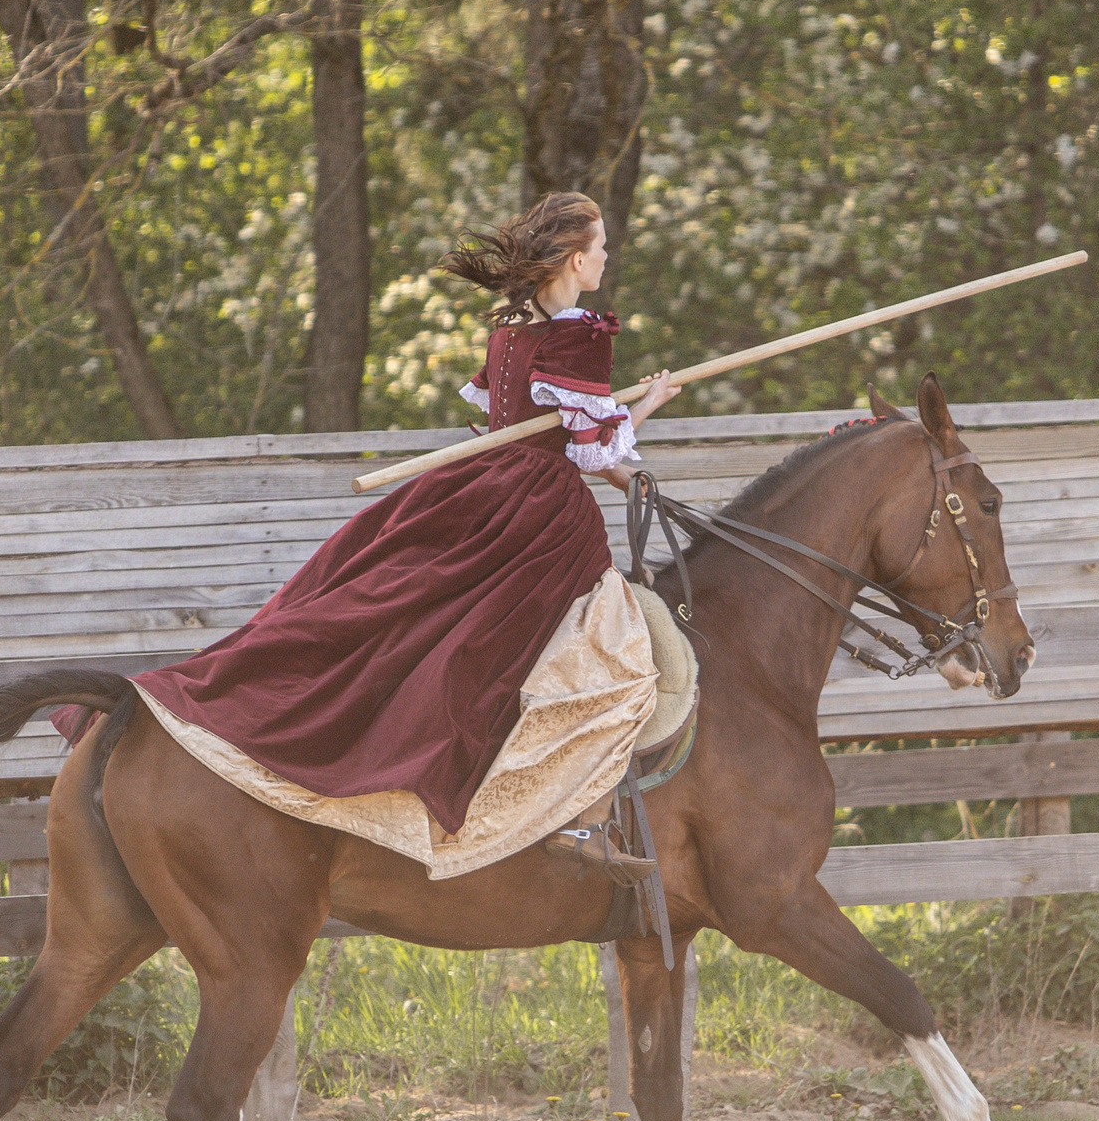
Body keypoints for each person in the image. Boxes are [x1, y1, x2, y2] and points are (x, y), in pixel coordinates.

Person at [118, 192, 681, 843]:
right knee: (604, 655)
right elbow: (591, 451)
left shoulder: (509, 327)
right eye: (603, 247)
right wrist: (647, 421)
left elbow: (545, 428)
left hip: (485, 492)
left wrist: (630, 433)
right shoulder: (578, 335)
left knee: (411, 617)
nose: (607, 258)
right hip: (543, 519)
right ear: (579, 259)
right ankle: (569, 815)